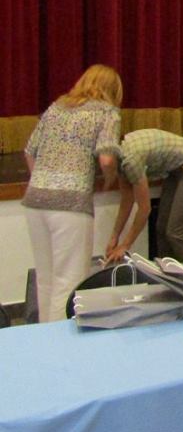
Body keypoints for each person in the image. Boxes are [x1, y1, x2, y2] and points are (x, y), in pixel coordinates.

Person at [22, 64, 122, 322]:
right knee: (68, 281)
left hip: (35, 199)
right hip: (71, 203)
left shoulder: (56, 107)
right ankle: (60, 341)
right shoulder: (107, 112)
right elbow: (107, 160)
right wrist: (109, 180)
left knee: (45, 278)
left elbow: (29, 151)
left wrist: (43, 181)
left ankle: (44, 337)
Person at [105, 129, 183, 265]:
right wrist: (114, 237)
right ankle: (166, 274)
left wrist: (125, 246)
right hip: (176, 169)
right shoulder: (120, 159)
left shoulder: (131, 161)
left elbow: (144, 209)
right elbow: (127, 200)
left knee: (175, 233)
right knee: (161, 228)